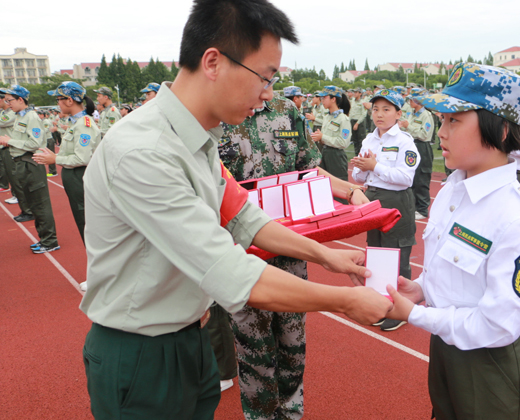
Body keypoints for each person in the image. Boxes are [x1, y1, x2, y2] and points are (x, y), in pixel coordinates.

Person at [78, 1, 391, 418]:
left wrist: (325, 255)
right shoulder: (143, 151)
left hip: (189, 336)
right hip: (141, 353)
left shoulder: (196, 138)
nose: (267, 93)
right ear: (213, 62)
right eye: (264, 77)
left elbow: (243, 216)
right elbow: (232, 273)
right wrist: (344, 302)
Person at [385, 62, 520, 420]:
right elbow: (450, 267)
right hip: (449, 342)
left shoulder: (518, 218)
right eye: (442, 119)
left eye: (454, 120)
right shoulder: (452, 189)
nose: (441, 132)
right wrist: (421, 288)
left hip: (494, 361)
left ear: (501, 129)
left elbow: (498, 325)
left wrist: (414, 314)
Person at [219, 93, 320, 418]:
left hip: (289, 250)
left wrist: (349, 191)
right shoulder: (218, 113)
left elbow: (309, 170)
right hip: (242, 255)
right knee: (253, 351)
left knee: (293, 346)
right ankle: (259, 415)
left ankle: (291, 412)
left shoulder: (286, 111)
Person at [351, 89, 419, 332]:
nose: (379, 114)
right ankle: (380, 304)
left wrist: (374, 166)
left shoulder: (404, 142)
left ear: (399, 114)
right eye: (376, 109)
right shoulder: (369, 139)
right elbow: (359, 175)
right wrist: (361, 168)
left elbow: (405, 178)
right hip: (373, 197)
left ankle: (401, 309)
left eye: (386, 109)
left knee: (397, 253)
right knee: (376, 251)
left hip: (397, 200)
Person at [34, 81, 100, 244]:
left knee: (86, 221)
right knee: (82, 220)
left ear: (70, 101)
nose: (57, 104)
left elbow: (81, 158)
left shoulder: (84, 125)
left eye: (58, 99)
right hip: (75, 177)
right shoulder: (75, 123)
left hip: (80, 176)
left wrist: (55, 159)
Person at [0, 85, 59, 253]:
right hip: (21, 162)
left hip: (30, 163)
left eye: (10, 100)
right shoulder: (20, 116)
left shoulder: (31, 117)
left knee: (40, 204)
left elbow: (35, 143)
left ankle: (50, 240)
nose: (7, 103)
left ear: (20, 100)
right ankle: (44, 238)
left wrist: (9, 141)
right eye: (6, 100)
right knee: (33, 203)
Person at [400, 88, 434, 220]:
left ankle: (423, 209)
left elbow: (425, 135)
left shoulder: (426, 115)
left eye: (412, 98)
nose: (409, 101)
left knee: (421, 179)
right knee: (412, 178)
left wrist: (408, 126)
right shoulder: (411, 114)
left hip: (422, 147)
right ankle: (414, 207)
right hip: (411, 146)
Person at [310, 85, 351, 182]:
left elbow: (343, 142)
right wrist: (319, 138)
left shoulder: (343, 119)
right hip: (325, 153)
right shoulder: (327, 117)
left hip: (336, 156)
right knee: (324, 184)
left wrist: (323, 137)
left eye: (325, 97)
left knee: (339, 184)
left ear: (333, 99)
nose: (322, 100)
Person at [348, 88, 368, 156]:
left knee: (361, 140)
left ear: (360, 93)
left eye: (356, 92)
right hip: (352, 121)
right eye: (354, 92)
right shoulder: (352, 101)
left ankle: (361, 155)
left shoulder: (362, 102)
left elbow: (363, 114)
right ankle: (357, 155)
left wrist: (357, 123)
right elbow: (350, 112)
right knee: (355, 140)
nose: (355, 94)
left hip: (359, 122)